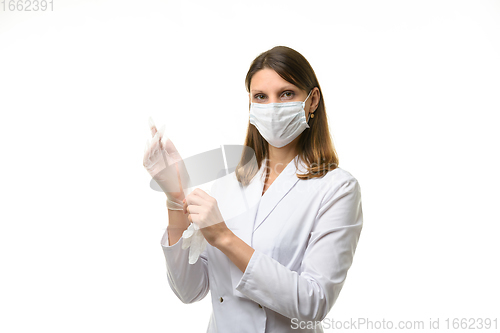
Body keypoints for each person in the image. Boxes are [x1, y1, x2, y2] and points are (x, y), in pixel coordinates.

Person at [143, 45, 363, 333]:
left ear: (312, 100)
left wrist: (223, 236)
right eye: (261, 97)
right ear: (251, 105)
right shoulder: (228, 182)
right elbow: (189, 290)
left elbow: (314, 303)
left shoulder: (337, 189)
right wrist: (175, 199)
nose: (271, 107)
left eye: (286, 94)